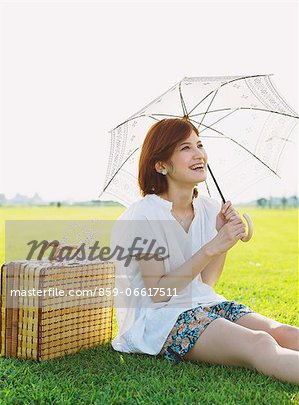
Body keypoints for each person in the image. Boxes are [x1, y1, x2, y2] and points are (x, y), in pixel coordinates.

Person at [110, 118, 299, 385]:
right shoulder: (144, 215)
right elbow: (159, 292)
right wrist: (212, 247)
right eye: (185, 148)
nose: (199, 153)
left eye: (199, 144)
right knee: (260, 344)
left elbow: (206, 282)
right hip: (161, 318)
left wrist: (223, 241)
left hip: (205, 303)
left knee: (281, 332)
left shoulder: (210, 208)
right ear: (161, 165)